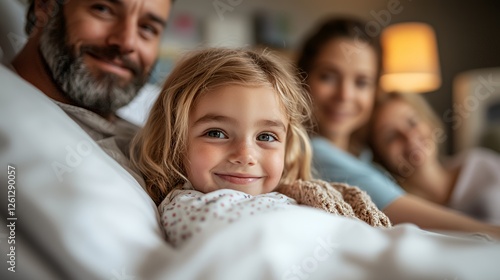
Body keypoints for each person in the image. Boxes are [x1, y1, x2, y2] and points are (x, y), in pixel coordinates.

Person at [130, 47, 391, 247]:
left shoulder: (291, 193)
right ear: (174, 141)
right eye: (216, 133)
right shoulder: (192, 208)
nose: (245, 155)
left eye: (266, 137)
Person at [296, 17, 500, 236]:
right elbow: (400, 209)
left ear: (375, 91)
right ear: (303, 79)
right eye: (328, 76)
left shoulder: (365, 155)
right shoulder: (314, 152)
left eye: (362, 82)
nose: (345, 95)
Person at [10, 0, 173, 186]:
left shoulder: (157, 143)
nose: (127, 42)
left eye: (147, 28)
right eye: (103, 9)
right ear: (45, 6)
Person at [369, 92, 500, 225]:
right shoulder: (400, 211)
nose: (409, 137)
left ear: (430, 123)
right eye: (391, 136)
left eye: (412, 122)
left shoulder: (479, 163)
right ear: (380, 156)